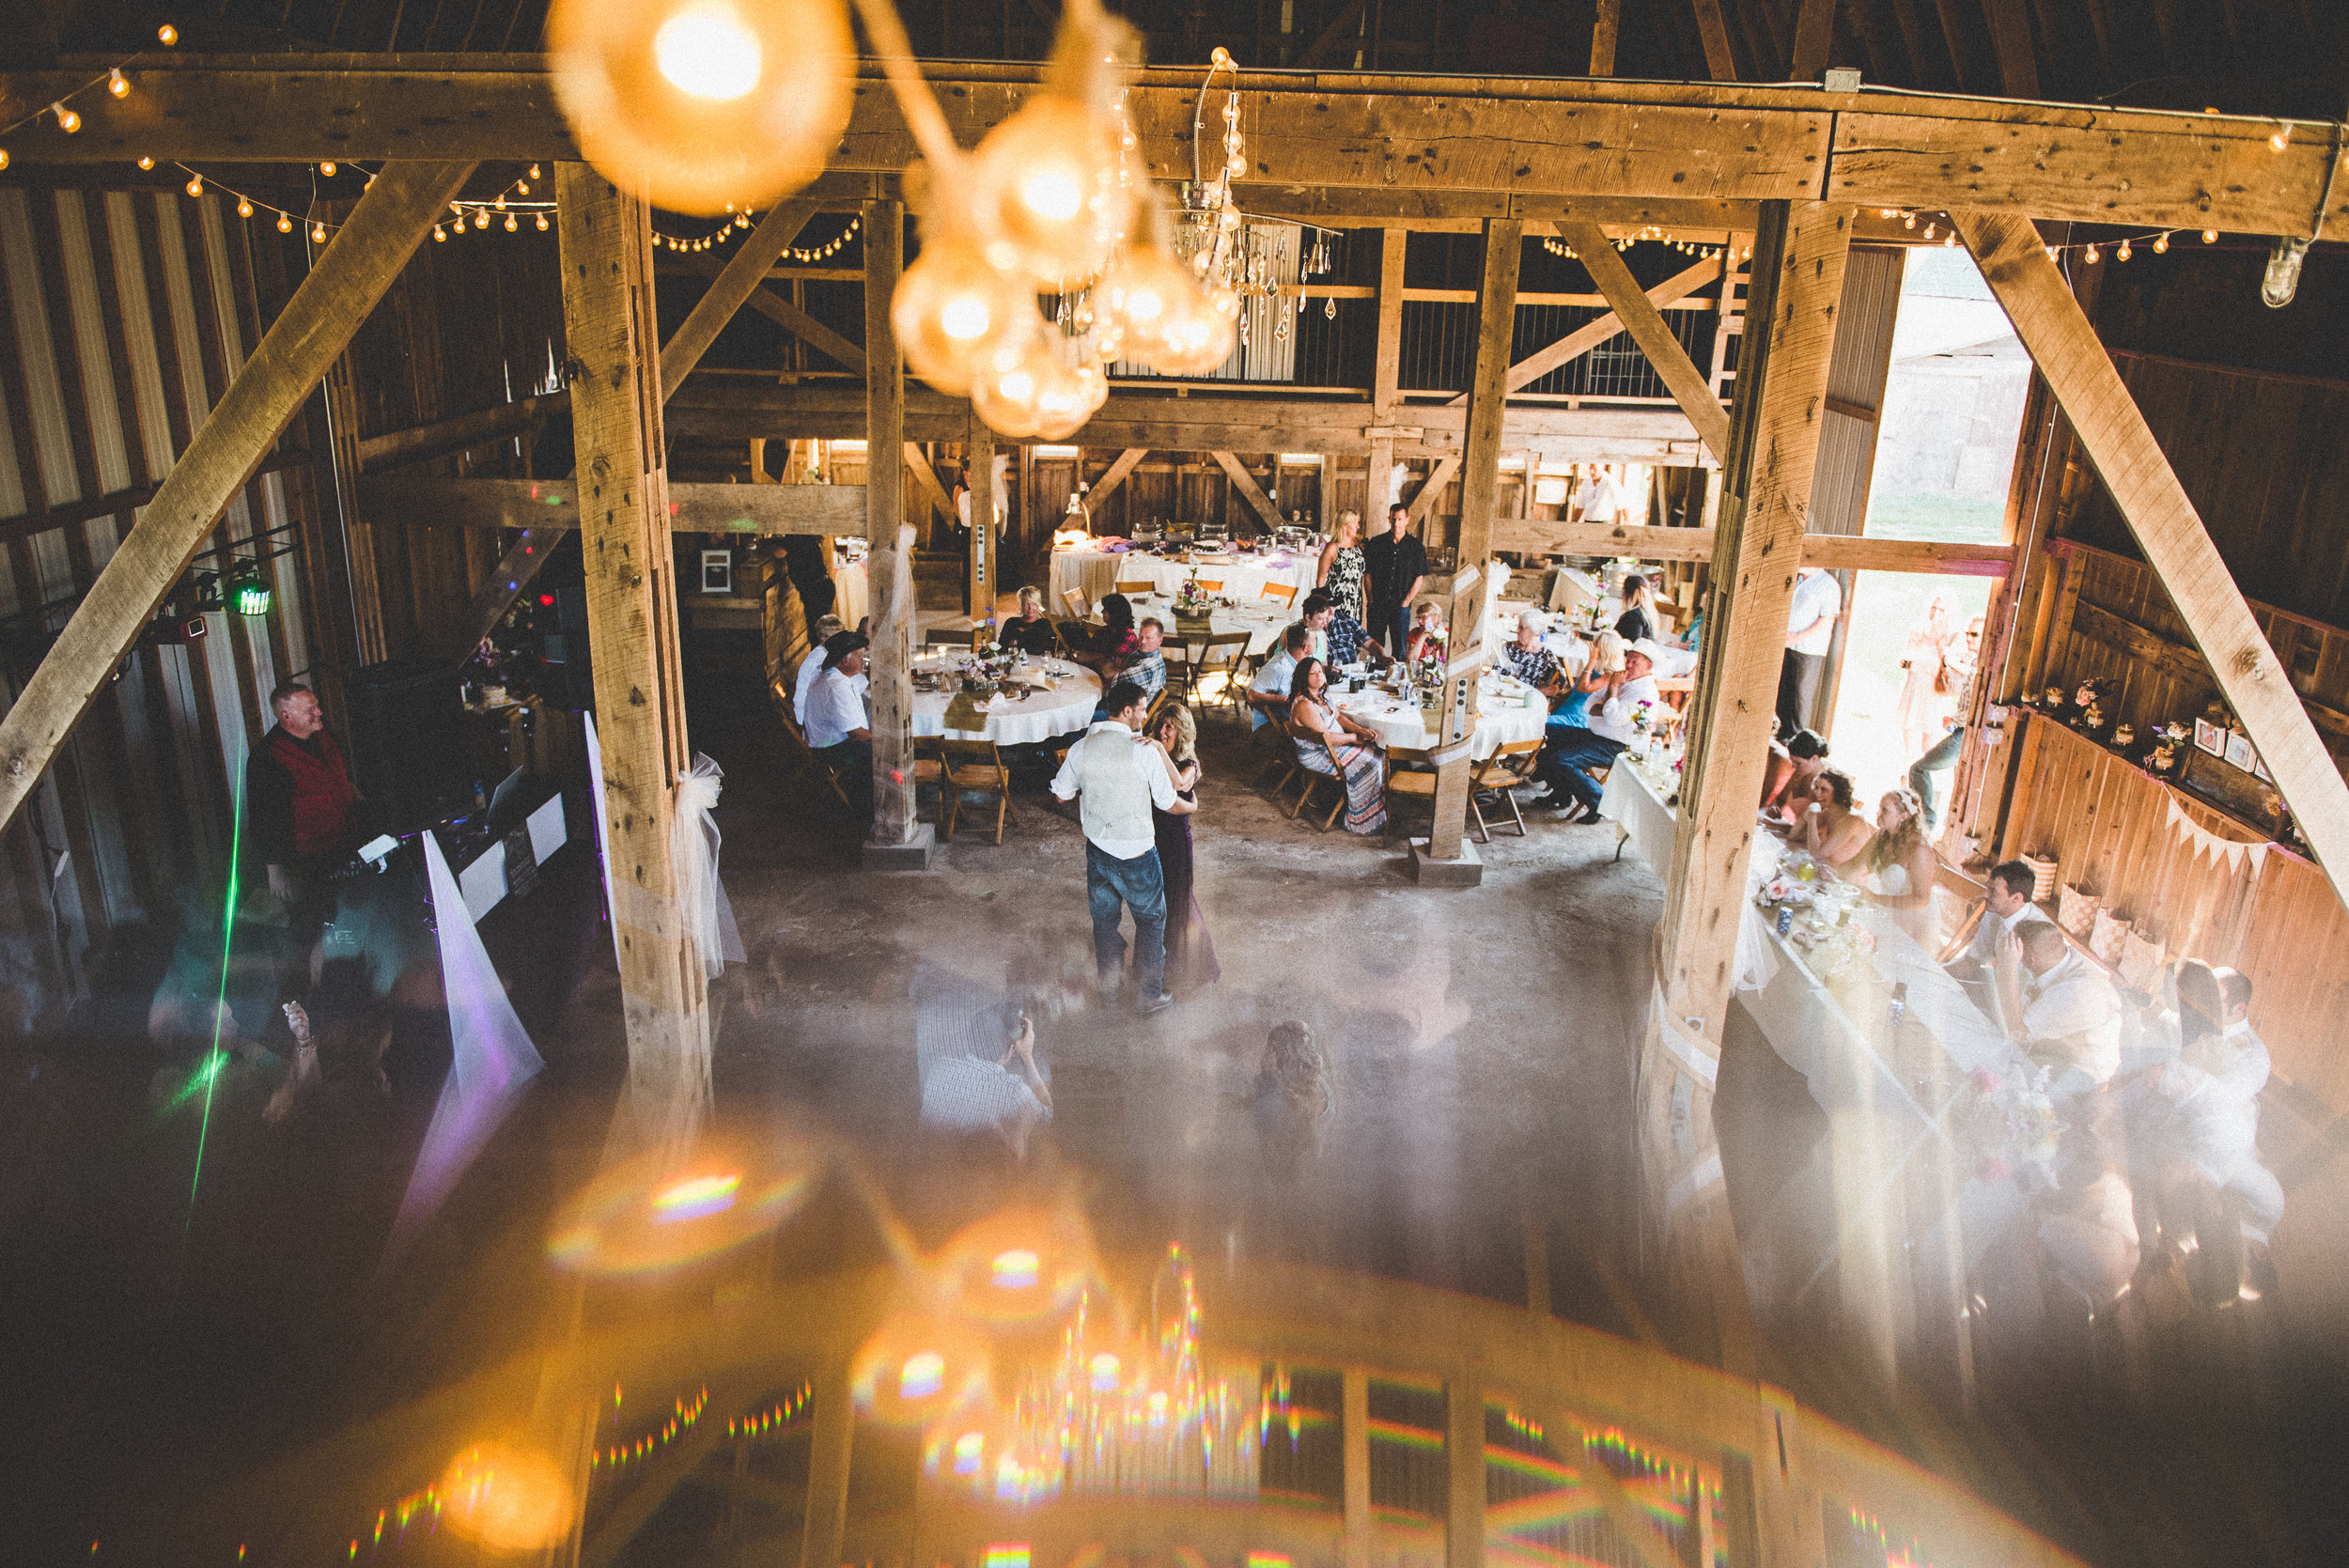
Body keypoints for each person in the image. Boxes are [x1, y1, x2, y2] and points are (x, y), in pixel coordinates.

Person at [1051, 680, 1191, 1015]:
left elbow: (1061, 795)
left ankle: (1110, 994)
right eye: (1142, 710)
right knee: (1151, 922)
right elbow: (1167, 802)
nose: (1145, 716)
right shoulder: (1142, 750)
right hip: (1138, 854)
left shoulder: (1081, 748)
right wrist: (1192, 807)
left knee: (1104, 925)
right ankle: (1148, 996)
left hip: (1098, 852)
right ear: (1128, 711)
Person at [247, 681, 363, 943]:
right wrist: (276, 872)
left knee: (350, 917)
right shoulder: (267, 758)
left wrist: (349, 789)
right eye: (310, 709)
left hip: (345, 845)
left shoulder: (321, 734)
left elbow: (335, 770)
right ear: (286, 716)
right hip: (308, 861)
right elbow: (264, 818)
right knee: (313, 928)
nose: (319, 712)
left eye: (317, 706)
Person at [1531, 638, 1662, 821]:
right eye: (1628, 660)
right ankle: (1561, 794)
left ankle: (1599, 803)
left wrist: (1613, 689)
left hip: (1615, 744)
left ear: (1648, 666)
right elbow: (1590, 704)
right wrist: (1609, 707)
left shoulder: (1644, 691)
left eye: (1635, 662)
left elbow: (1613, 719)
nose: (1629, 665)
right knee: (1545, 732)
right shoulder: (1625, 678)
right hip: (1595, 733)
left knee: (1562, 760)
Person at [1995, 920, 2123, 1093]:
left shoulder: (2075, 992)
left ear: (2031, 961)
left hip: (2082, 1076)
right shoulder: (2057, 956)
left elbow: (2018, 1033)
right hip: (2055, 1050)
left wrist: (2007, 966)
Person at [1149, 704, 1220, 990]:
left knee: (1178, 905)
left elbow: (1178, 784)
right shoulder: (1155, 756)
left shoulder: (1189, 763)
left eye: (1170, 727)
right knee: (1163, 905)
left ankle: (1182, 972)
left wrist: (1157, 748)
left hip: (1176, 843)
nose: (1162, 731)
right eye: (1160, 725)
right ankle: (1168, 966)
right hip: (1153, 839)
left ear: (1182, 731)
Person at [1944, 859, 2055, 1028]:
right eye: (1987, 888)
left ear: (2016, 898)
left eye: (1993, 891)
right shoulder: (1995, 911)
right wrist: (1935, 972)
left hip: (2021, 1015)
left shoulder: (2040, 934)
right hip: (1997, 992)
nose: (1985, 894)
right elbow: (1971, 961)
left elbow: (2022, 1003)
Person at [1287, 657, 1388, 834]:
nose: (1319, 676)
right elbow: (1326, 738)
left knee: (1380, 754)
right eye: (1313, 673)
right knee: (1370, 763)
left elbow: (1338, 717)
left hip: (1331, 746)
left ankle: (1376, 811)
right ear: (1303, 678)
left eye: (1320, 671)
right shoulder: (1304, 704)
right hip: (1316, 753)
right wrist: (1353, 738)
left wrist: (1360, 730)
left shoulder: (1322, 694)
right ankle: (1361, 820)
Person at [1909, 615, 1983, 834]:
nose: (1968, 638)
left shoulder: (1983, 667)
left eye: (1974, 634)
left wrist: (1955, 720)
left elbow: (1978, 708)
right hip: (1962, 730)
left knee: (1919, 769)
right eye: (1968, 633)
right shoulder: (1974, 662)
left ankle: (1926, 824)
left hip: (1967, 733)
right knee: (1959, 783)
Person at [1242, 1019, 1333, 1172]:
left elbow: (1253, 1144)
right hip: (1318, 1171)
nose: (1263, 1053)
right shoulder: (1321, 1085)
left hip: (1280, 1175)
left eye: (1268, 1048)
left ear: (1278, 1054)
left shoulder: (1273, 1100)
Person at [804, 631, 874, 825]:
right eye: (859, 655)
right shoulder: (836, 685)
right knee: (878, 754)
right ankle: (867, 813)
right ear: (845, 660)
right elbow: (856, 734)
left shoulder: (839, 677)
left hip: (833, 740)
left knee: (877, 747)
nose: (862, 659)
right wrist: (883, 739)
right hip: (830, 748)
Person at [1858, 788, 1939, 948]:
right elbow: (1855, 865)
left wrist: (1875, 898)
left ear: (1904, 816)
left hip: (1915, 923)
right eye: (1879, 808)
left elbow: (1921, 900)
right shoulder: (1881, 836)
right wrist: (1830, 871)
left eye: (1885, 810)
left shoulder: (1920, 849)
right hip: (1887, 908)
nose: (1878, 813)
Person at [1896, 596, 1961, 766]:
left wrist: (1942, 649)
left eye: (1941, 610)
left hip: (1933, 691)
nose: (1936, 613)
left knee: (1929, 740)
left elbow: (1952, 667)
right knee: (1909, 735)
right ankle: (1906, 770)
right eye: (1934, 608)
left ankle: (1924, 771)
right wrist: (1906, 660)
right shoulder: (1919, 631)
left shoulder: (1951, 636)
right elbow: (1908, 657)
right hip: (1914, 686)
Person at [1779, 565, 1841, 736]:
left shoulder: (1828, 584)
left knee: (1800, 699)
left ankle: (1797, 742)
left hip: (1807, 650)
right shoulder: (1796, 579)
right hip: (1786, 646)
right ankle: (1781, 740)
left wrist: (1799, 636)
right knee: (1782, 696)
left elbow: (1827, 618)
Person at [1362, 503, 1428, 659]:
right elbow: (1368, 574)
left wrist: (1406, 601)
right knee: (1375, 649)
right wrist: (1371, 600)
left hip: (1400, 606)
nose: (1396, 523)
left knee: (1400, 650)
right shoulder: (1376, 543)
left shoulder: (1416, 547)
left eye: (1400, 519)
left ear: (1407, 520)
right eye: (1393, 519)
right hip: (1378, 604)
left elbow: (1419, 577)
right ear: (1389, 519)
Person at [1787, 767, 1871, 871]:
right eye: (1816, 787)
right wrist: (1805, 816)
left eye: (1823, 790)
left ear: (1838, 793)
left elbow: (1816, 854)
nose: (1817, 793)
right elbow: (1794, 836)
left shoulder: (1852, 820)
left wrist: (1812, 818)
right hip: (1829, 869)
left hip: (1846, 876)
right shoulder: (1829, 812)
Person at [1315, 510, 1370, 667]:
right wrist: (1322, 606)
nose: (1358, 527)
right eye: (1355, 523)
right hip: (1336, 601)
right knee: (1336, 638)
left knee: (1353, 637)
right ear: (1345, 525)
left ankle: (1352, 671)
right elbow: (1320, 579)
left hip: (1355, 602)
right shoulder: (1332, 548)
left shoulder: (1358, 546)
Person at [1248, 623, 1315, 732]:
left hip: (1293, 716)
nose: (1317, 642)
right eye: (1315, 639)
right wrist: (1285, 700)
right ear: (1305, 647)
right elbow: (1251, 696)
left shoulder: (1305, 660)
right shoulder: (1277, 667)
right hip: (1272, 726)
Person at [1551, 630, 1623, 730]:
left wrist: (1592, 660)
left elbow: (1582, 688)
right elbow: (1573, 691)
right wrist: (1552, 707)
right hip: (1564, 711)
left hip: (1575, 720)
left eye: (1596, 646)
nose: (1593, 649)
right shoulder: (1597, 668)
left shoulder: (1609, 676)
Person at [1759, 727, 1828, 826]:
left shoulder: (1827, 782)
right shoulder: (1799, 773)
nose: (1793, 767)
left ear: (1814, 758)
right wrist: (1775, 807)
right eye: (1792, 762)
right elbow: (1780, 799)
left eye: (1798, 763)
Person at [792, 613, 847, 724]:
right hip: (813, 719)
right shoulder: (817, 661)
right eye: (836, 637)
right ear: (823, 638)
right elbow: (803, 697)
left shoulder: (828, 653)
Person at [1500, 611, 1563, 690]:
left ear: (1534, 631)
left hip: (1528, 695)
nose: (1517, 630)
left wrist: (1543, 691)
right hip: (1502, 691)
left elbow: (1561, 682)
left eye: (1521, 628)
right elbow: (1496, 673)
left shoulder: (1545, 655)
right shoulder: (1508, 648)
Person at [1001, 587, 1057, 655]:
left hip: (1037, 660)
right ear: (1021, 605)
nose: (1030, 608)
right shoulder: (1011, 622)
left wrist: (1016, 643)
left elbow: (1042, 649)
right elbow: (1001, 647)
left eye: (1034, 604)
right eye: (1026, 604)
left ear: (1038, 605)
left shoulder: (1044, 624)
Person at [1614, 573, 1659, 645]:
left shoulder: (1633, 616)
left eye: (1623, 590)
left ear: (1629, 594)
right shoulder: (1647, 614)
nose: (1622, 594)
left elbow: (1632, 645)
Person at [1402, 601, 1445, 666]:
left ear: (1436, 618)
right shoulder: (1414, 632)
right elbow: (1411, 661)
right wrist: (1423, 636)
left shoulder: (1446, 633)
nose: (1419, 621)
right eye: (1418, 618)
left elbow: (1446, 662)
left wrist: (1445, 641)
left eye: (1423, 617)